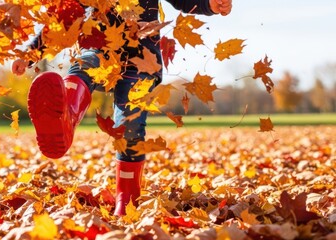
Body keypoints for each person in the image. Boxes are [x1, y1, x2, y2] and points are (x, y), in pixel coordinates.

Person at [12, 0, 232, 216]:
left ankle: (126, 200)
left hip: (142, 58)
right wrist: (30, 53)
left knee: (130, 125)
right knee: (82, 66)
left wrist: (208, 4)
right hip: (100, 46)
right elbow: (64, 18)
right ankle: (67, 116)